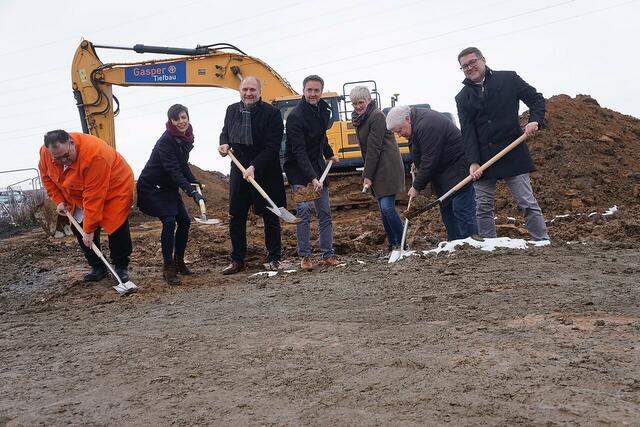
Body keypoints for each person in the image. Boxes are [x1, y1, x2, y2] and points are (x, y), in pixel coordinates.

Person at [455, 47, 549, 241]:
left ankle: (542, 241)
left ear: (483, 59)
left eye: (473, 62)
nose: (469, 67)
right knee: (483, 206)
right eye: (464, 66)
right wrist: (473, 162)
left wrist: (535, 120)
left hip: (512, 150)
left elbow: (536, 99)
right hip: (483, 157)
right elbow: (467, 132)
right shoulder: (462, 97)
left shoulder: (509, 79)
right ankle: (490, 245)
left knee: (526, 202)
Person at [38, 130, 135, 282]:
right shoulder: (45, 153)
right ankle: (98, 267)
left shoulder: (95, 155)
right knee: (79, 228)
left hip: (115, 187)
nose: (64, 161)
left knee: (116, 225)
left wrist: (89, 230)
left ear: (71, 142)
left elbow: (93, 197)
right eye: (58, 158)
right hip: (76, 190)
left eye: (66, 155)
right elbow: (46, 177)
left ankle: (120, 267)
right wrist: (59, 200)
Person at [218, 76, 286, 275]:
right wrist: (224, 144)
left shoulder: (272, 114)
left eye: (252, 90)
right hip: (239, 170)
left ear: (259, 91)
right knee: (236, 216)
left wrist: (254, 166)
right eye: (245, 89)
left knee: (271, 215)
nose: (248, 93)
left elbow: (273, 147)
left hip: (265, 171)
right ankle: (237, 260)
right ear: (240, 90)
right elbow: (225, 133)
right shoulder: (231, 110)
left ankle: (274, 258)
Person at [386, 105, 478, 241]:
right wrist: (417, 163)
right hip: (444, 173)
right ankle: (455, 245)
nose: (400, 134)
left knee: (461, 209)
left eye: (399, 130)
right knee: (447, 210)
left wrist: (417, 186)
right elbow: (424, 148)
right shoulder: (416, 122)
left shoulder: (427, 124)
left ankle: (472, 246)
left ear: (407, 119)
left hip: (458, 169)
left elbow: (430, 160)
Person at [136, 104, 204, 285]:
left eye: (184, 117)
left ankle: (179, 261)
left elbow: (183, 165)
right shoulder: (166, 140)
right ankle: (168, 268)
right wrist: (190, 192)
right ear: (170, 121)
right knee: (169, 220)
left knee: (185, 221)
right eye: (177, 119)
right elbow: (173, 169)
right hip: (152, 187)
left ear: (188, 118)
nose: (181, 122)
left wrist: (194, 183)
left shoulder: (185, 137)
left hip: (168, 187)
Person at [283, 75, 340, 270]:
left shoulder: (324, 110)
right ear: (303, 91)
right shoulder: (295, 117)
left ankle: (328, 254)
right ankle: (305, 256)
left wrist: (329, 154)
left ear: (321, 92)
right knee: (304, 210)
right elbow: (298, 151)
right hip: (298, 169)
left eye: (316, 90)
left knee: (324, 211)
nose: (313, 94)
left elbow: (321, 137)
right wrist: (312, 178)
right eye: (309, 90)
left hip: (316, 165)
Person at [349, 85, 405, 254]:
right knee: (383, 209)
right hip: (376, 166)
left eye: (361, 102)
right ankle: (393, 243)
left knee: (387, 207)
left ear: (369, 100)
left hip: (387, 167)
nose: (358, 106)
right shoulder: (360, 118)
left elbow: (374, 148)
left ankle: (402, 243)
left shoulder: (376, 116)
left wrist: (367, 175)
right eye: (354, 104)